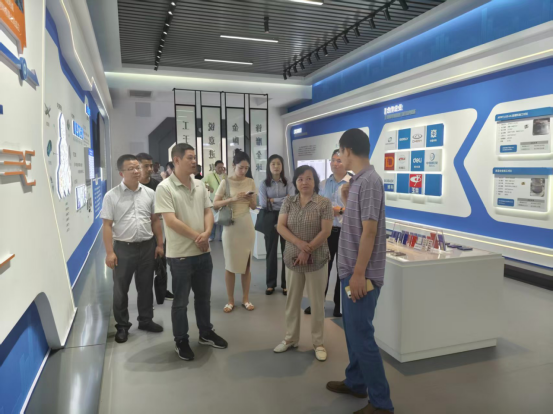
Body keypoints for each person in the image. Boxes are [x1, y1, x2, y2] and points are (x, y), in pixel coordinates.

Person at [326, 129, 394, 415]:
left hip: (360, 275)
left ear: (348, 151)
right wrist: (346, 197)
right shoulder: (358, 181)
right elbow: (355, 222)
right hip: (351, 270)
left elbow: (370, 231)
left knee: (362, 336)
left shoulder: (369, 182)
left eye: (340, 153)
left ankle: (381, 403)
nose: (339, 158)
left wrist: (358, 273)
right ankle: (356, 382)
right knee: (353, 333)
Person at [155, 144, 228, 361]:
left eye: (195, 157)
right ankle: (181, 340)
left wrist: (207, 233)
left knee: (204, 298)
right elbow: (170, 221)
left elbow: (208, 212)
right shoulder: (164, 188)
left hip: (203, 253)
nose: (194, 161)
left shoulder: (199, 184)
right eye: (190, 157)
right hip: (180, 255)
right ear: (176, 160)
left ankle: (205, 333)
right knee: (180, 302)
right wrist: (199, 237)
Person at [101, 155, 165, 344]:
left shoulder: (150, 193)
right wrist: (110, 252)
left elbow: (155, 220)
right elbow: (107, 225)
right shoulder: (111, 196)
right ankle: (122, 326)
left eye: (138, 167)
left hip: (147, 246)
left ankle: (145, 320)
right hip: (123, 248)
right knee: (120, 289)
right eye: (131, 168)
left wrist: (159, 244)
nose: (137, 171)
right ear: (121, 173)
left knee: (145, 286)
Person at [274, 166, 333, 362]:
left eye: (308, 178)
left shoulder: (324, 203)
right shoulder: (288, 202)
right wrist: (300, 244)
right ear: (295, 182)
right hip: (293, 258)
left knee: (317, 303)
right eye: (300, 179)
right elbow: (281, 226)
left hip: (317, 259)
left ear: (315, 181)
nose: (304, 182)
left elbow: (326, 231)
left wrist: (307, 250)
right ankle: (291, 338)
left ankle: (318, 343)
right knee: (292, 301)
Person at [305, 150, 351, 318]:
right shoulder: (323, 184)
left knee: (342, 270)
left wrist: (341, 211)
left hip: (346, 233)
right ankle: (318, 303)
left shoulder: (352, 183)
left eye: (339, 160)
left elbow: (357, 209)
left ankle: (340, 305)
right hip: (326, 232)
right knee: (323, 268)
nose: (335, 164)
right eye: (333, 160)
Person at [213, 149, 257, 313]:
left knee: (246, 265)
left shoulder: (250, 182)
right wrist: (233, 199)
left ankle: (245, 298)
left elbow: (254, 206)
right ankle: (230, 300)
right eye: (241, 167)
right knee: (230, 265)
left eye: (246, 168)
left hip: (246, 225)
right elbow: (215, 204)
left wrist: (250, 199)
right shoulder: (226, 182)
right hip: (231, 227)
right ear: (233, 166)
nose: (243, 171)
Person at [137, 153, 174, 301]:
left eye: (151, 166)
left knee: (161, 263)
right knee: (143, 269)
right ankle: (146, 297)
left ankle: (162, 291)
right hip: (140, 233)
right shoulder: (134, 186)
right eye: (146, 166)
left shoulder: (158, 186)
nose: (150, 169)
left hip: (158, 229)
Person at [259, 155, 295, 296]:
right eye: (273, 164)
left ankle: (285, 284)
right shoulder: (264, 184)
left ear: (282, 166)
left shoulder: (288, 182)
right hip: (270, 217)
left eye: (278, 163)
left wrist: (273, 200)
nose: (276, 166)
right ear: (269, 166)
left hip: (286, 217)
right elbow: (263, 203)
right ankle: (270, 284)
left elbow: (291, 200)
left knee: (287, 252)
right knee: (271, 252)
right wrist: (282, 199)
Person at [202, 160, 227, 242]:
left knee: (222, 218)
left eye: (222, 167)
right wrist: (209, 188)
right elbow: (202, 182)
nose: (220, 169)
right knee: (212, 219)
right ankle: (211, 236)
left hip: (223, 200)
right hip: (214, 200)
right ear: (215, 167)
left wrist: (225, 174)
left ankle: (222, 237)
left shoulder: (225, 176)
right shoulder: (210, 176)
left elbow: (228, 184)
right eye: (219, 167)